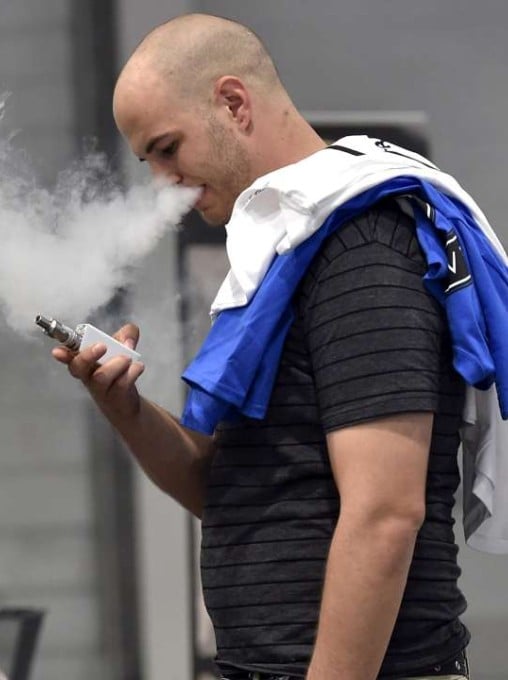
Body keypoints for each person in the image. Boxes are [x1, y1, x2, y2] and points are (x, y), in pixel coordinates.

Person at [51, 13, 504, 680]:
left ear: (233, 103)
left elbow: (386, 511)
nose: (163, 183)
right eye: (150, 162)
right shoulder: (281, 258)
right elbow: (234, 491)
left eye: (169, 148)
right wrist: (126, 407)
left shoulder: (362, 245)